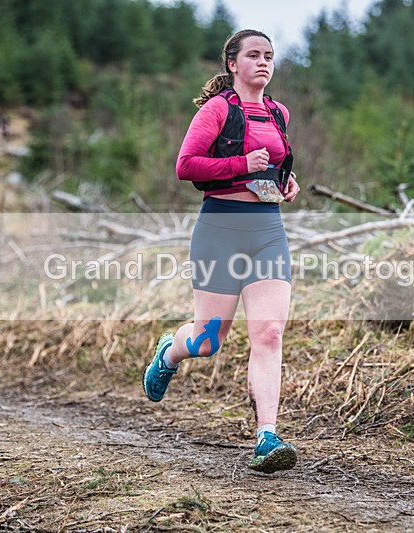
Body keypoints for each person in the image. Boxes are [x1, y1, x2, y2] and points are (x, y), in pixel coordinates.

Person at [143, 29, 301, 474]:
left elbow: (274, 165)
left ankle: (267, 437)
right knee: (208, 340)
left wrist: (286, 182)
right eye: (253, 55)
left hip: (268, 231)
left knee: (269, 334)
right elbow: (186, 165)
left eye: (269, 55)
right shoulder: (217, 110)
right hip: (219, 229)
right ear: (232, 63)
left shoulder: (278, 112)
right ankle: (170, 352)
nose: (263, 62)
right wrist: (240, 165)